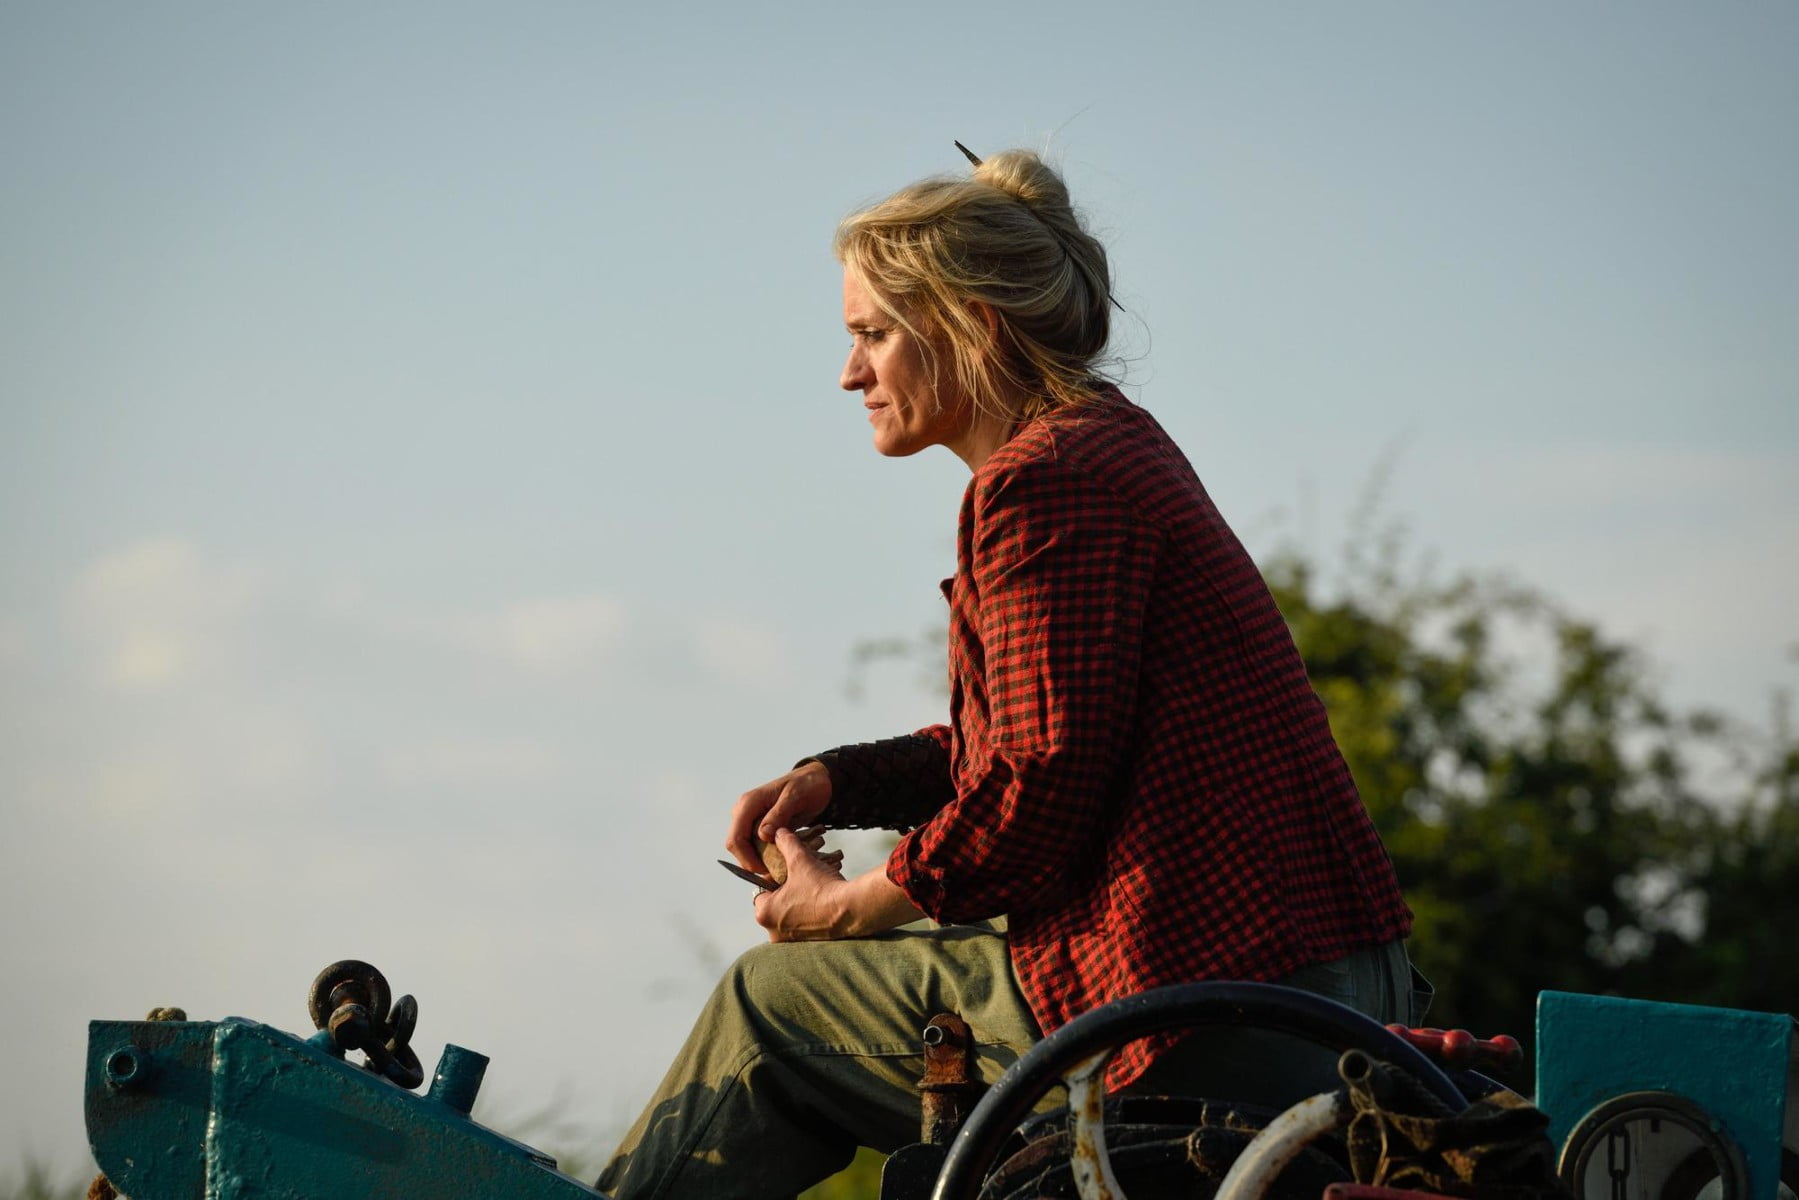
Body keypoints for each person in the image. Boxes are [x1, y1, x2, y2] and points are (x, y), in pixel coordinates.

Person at [596, 148, 1417, 1200]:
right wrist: (836, 782)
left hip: (1208, 1000)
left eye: (872, 335)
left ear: (974, 328)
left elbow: (1039, 782)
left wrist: (846, 909)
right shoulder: (1106, 446)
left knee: (772, 1008)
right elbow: (1029, 740)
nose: (849, 374)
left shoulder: (1041, 484)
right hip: (1304, 978)